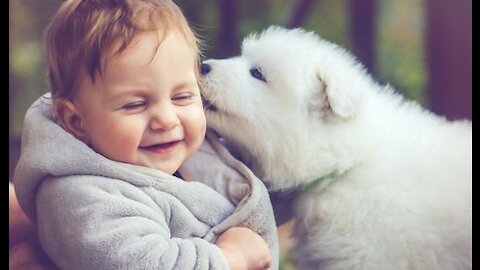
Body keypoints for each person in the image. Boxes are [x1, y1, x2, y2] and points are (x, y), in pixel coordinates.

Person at [11, 0, 279, 269]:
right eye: (134, 104)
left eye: (182, 96)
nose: (166, 119)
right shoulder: (81, 197)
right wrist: (230, 258)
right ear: (76, 122)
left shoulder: (197, 154)